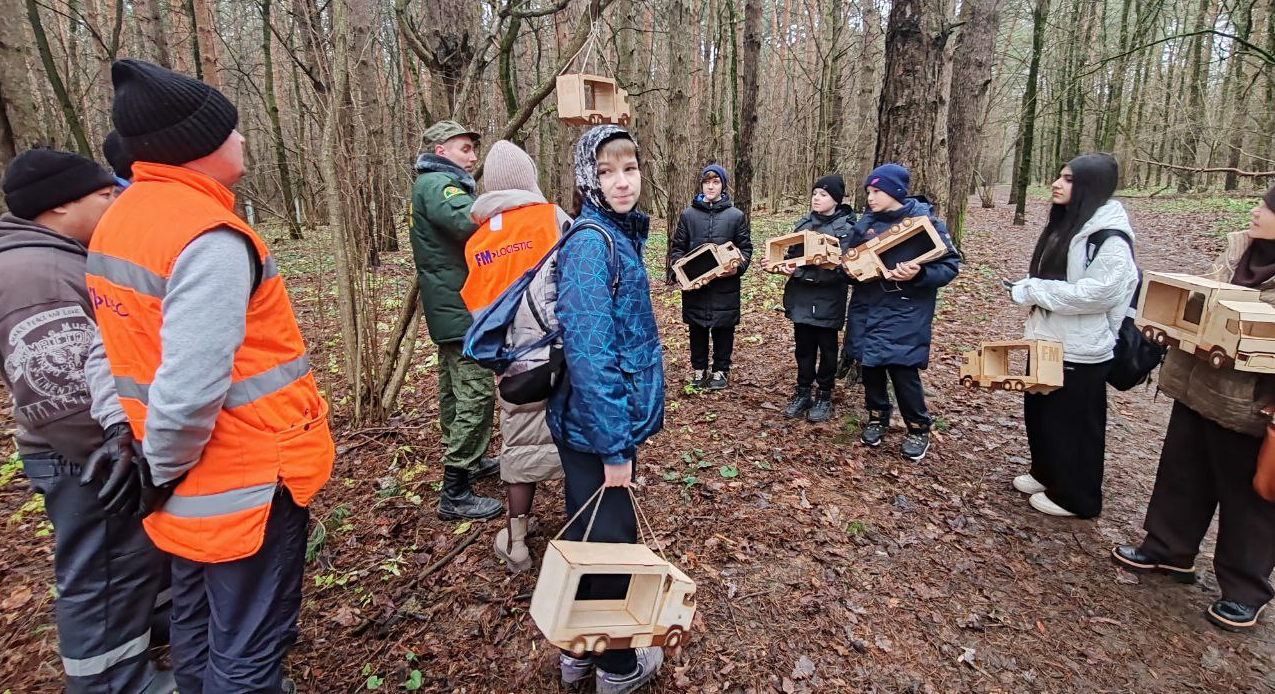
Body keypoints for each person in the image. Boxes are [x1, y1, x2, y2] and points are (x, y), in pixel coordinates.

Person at [86, 59, 334, 694]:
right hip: (242, 479)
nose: (242, 139)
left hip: (181, 481)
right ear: (196, 146)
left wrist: (131, 441)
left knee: (196, 624)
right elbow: (191, 385)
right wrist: (160, 468)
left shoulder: (123, 219)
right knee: (248, 650)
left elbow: (107, 346)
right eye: (231, 130)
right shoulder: (209, 238)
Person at [0, 148, 174, 694]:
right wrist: (125, 454)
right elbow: (63, 396)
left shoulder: (58, 259)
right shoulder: (41, 275)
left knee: (130, 558)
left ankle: (150, 634)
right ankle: (113, 682)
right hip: (87, 457)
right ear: (59, 206)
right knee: (103, 573)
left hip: (99, 451)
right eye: (103, 195)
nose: (115, 202)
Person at [1112, 183, 1275, 632]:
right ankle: (1168, 549)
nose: (1256, 211)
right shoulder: (1238, 251)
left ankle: (1244, 589)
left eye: (1267, 207)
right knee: (1182, 472)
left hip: (1250, 405)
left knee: (1248, 499)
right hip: (1197, 385)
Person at [549, 125, 665, 694]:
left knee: (591, 538)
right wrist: (615, 448)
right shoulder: (592, 244)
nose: (622, 182)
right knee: (612, 547)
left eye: (630, 169)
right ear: (586, 178)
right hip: (597, 428)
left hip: (597, 423)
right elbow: (591, 358)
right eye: (606, 171)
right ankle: (616, 668)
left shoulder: (615, 234)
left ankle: (578, 656)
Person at [1006, 153, 1138, 517]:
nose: (1057, 184)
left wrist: (1034, 291)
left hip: (1081, 348)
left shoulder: (1109, 238)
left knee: (1074, 424)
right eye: (1059, 176)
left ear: (1090, 187)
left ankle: (1076, 496)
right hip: (1048, 338)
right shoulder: (1068, 224)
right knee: (1041, 412)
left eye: (1068, 179)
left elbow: (1098, 294)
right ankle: (1046, 473)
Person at [460, 140, 569, 572]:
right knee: (575, 439)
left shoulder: (477, 242)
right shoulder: (552, 218)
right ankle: (582, 528)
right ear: (529, 179)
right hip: (561, 355)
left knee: (521, 445)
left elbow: (478, 308)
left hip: (514, 365)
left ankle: (517, 540)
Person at [410, 120, 503, 520]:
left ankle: (470, 462)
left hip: (450, 306)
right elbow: (470, 221)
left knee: (453, 390)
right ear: (441, 151)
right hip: (460, 307)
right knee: (477, 392)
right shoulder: (438, 185)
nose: (472, 156)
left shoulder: (430, 184)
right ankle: (455, 491)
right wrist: (511, 210)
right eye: (464, 148)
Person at [846, 163, 959, 461]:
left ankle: (918, 427)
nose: (870, 197)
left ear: (895, 191)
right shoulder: (865, 225)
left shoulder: (924, 222)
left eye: (877, 191)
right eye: (868, 191)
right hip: (867, 307)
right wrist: (850, 269)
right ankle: (876, 417)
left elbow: (949, 266)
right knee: (870, 366)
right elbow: (849, 263)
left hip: (905, 310)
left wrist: (919, 274)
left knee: (902, 369)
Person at [765, 174, 855, 423]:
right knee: (803, 348)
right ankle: (803, 392)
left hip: (829, 300)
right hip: (801, 298)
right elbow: (792, 257)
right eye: (815, 193)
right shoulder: (803, 224)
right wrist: (780, 266)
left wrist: (798, 271)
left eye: (823, 194)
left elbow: (843, 269)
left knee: (827, 350)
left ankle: (824, 395)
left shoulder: (847, 231)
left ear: (836, 199)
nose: (817, 198)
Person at [668, 163, 752, 390]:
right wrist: (679, 271)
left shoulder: (736, 216)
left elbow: (745, 249)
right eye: (707, 182)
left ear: (723, 185)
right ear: (701, 185)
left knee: (724, 329)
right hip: (696, 286)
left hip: (725, 286)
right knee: (697, 328)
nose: (711, 186)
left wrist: (737, 268)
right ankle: (699, 370)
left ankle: (720, 371)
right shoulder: (688, 215)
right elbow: (678, 248)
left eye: (716, 182)